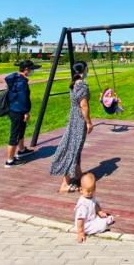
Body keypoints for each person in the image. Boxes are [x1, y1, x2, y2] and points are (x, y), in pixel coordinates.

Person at [50, 61, 94, 192]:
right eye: (87, 68)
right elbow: (83, 105)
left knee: (75, 147)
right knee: (73, 149)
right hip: (79, 120)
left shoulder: (74, 83)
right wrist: (88, 122)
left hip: (73, 118)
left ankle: (78, 173)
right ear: (84, 69)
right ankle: (65, 183)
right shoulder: (82, 85)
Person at [4, 59, 40, 168]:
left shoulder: (17, 78)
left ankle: (22, 150)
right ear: (26, 69)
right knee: (14, 135)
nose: (33, 71)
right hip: (18, 111)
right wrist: (26, 112)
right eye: (32, 69)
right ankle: (10, 161)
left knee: (20, 131)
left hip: (14, 109)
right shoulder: (22, 82)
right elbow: (22, 99)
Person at [75, 172, 114, 243]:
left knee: (100, 219)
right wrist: (80, 232)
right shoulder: (83, 204)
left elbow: (95, 204)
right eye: (88, 191)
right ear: (81, 190)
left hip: (92, 218)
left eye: (92, 190)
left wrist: (100, 212)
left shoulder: (92, 197)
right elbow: (80, 219)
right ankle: (104, 223)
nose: (90, 193)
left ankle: (104, 220)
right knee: (101, 226)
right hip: (84, 225)